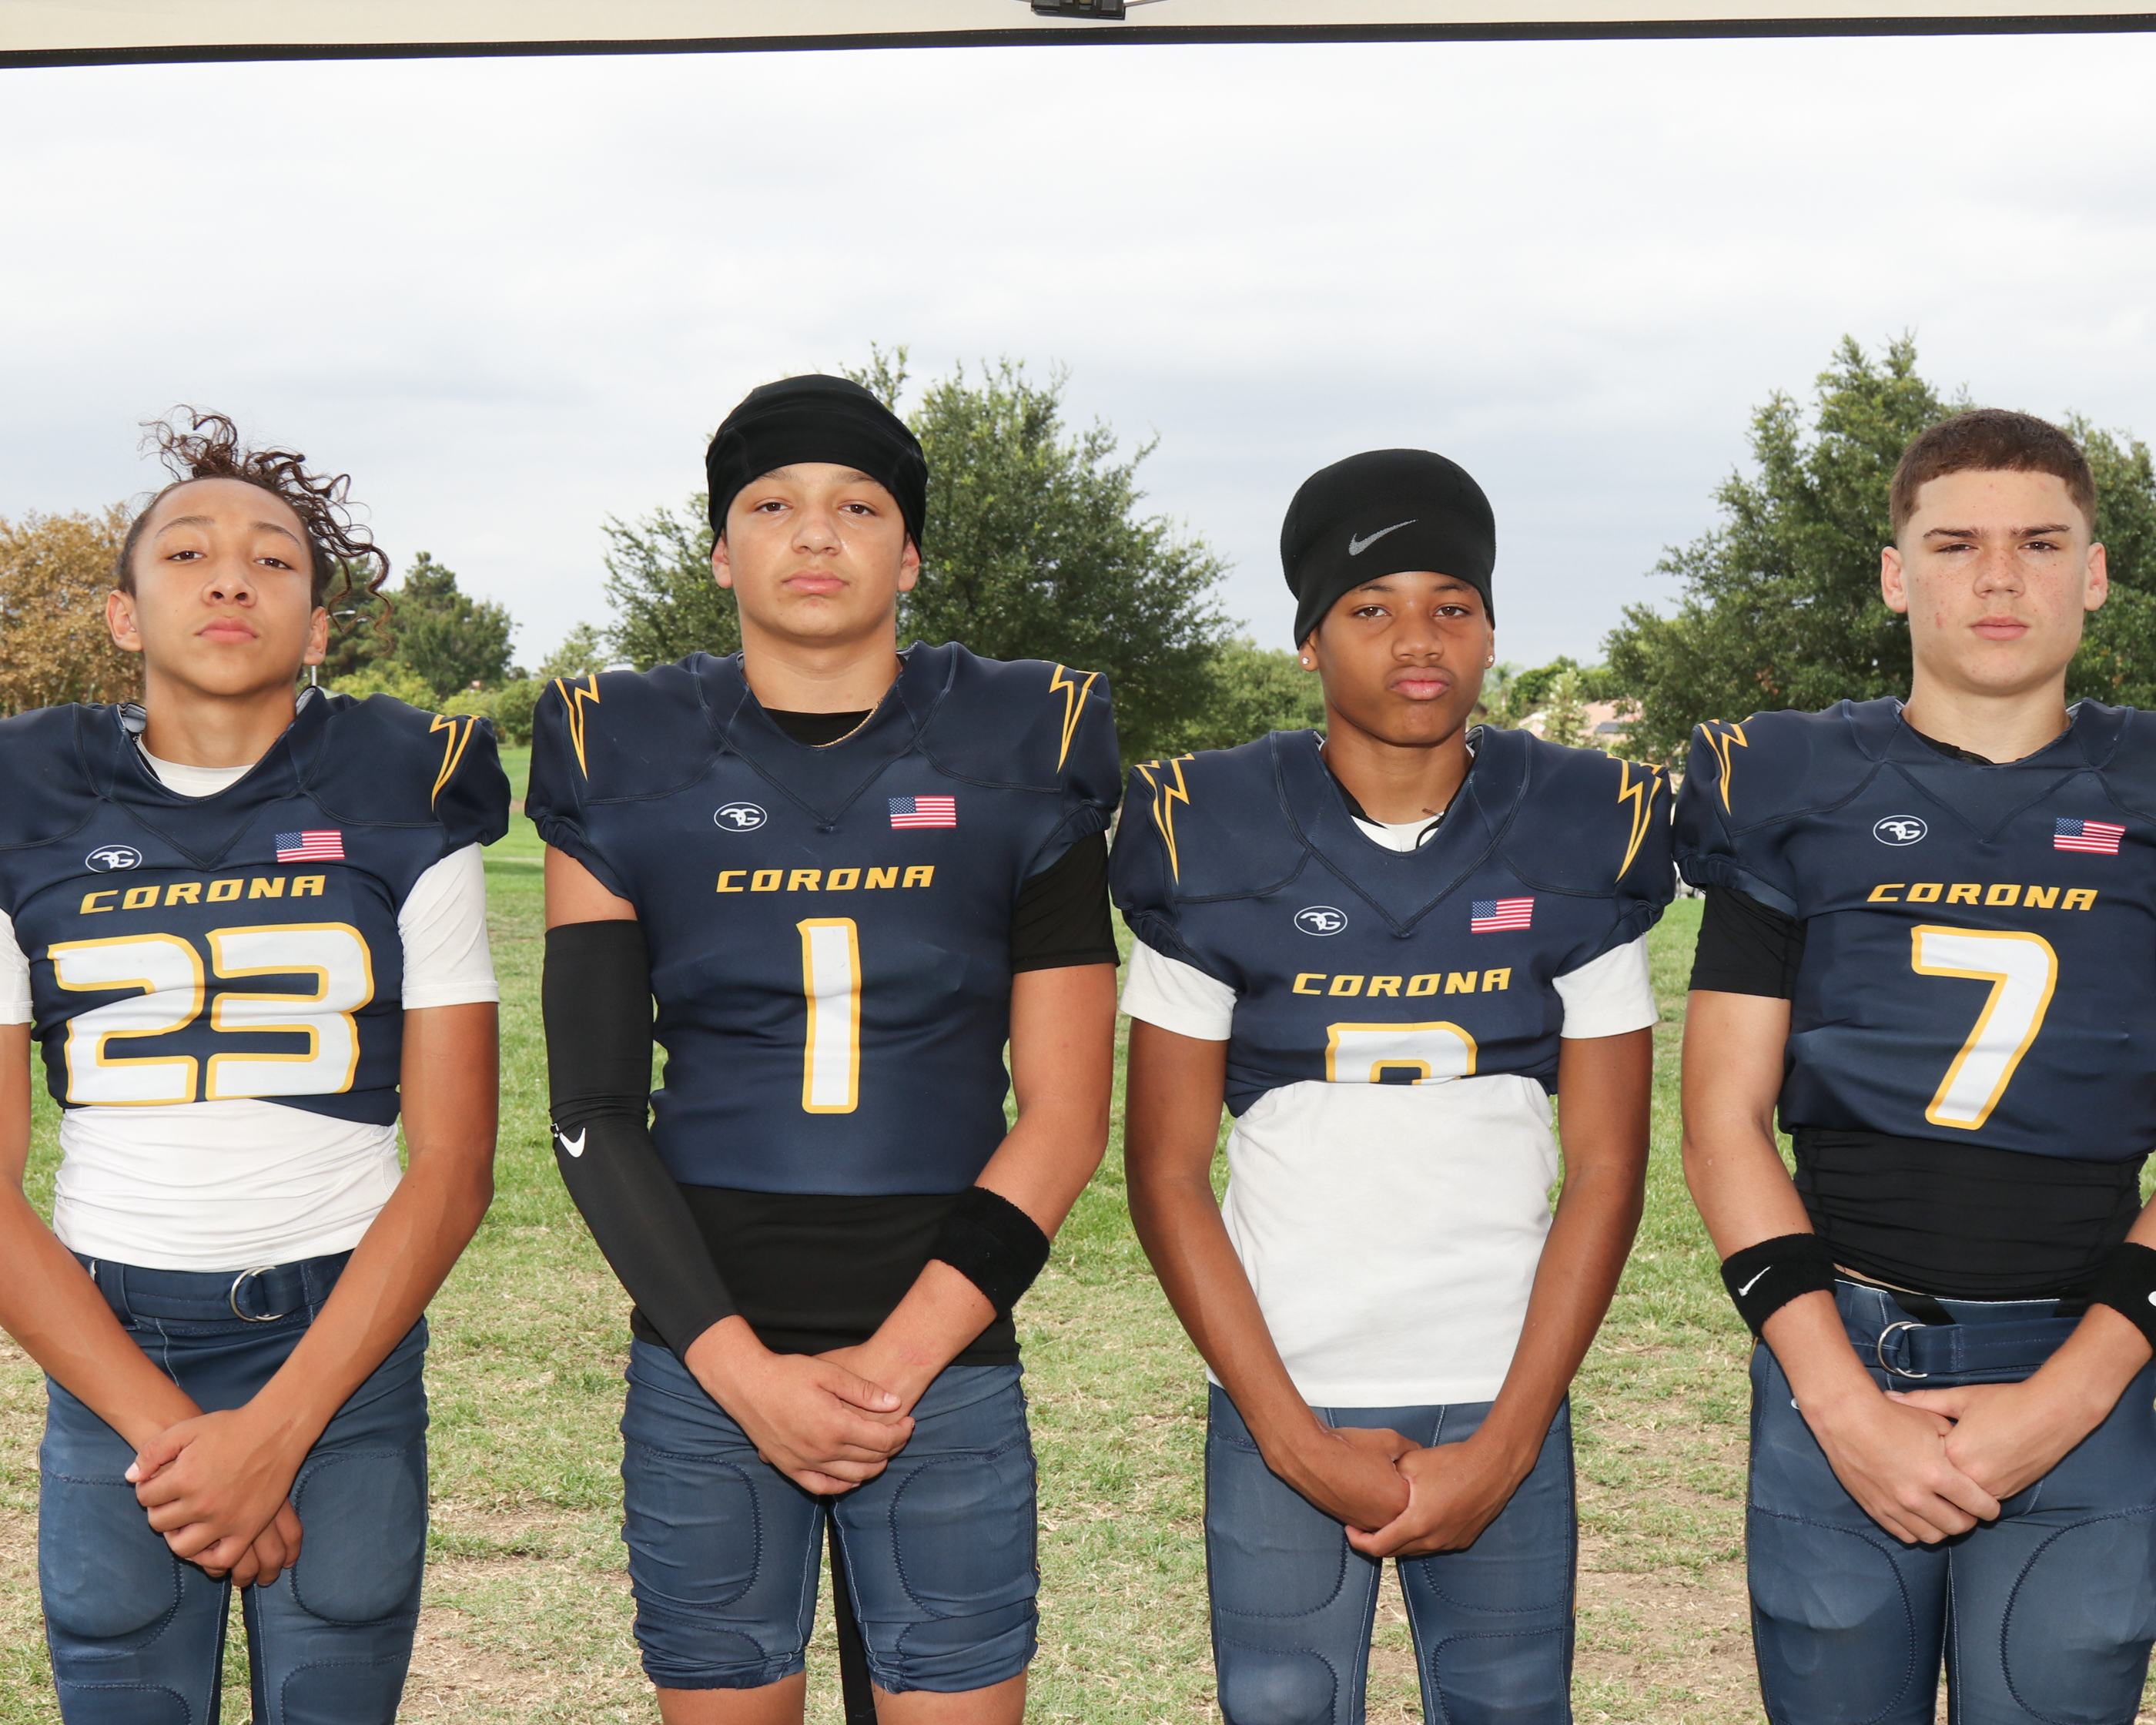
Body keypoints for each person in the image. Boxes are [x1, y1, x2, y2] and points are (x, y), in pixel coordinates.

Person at [525, 374, 1120, 1725]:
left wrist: (898, 1363)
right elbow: (592, 1109)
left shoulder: (1025, 748)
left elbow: (1066, 1115)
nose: (813, 533)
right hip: (703, 1348)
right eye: (771, 505)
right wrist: (741, 1370)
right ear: (719, 550)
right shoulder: (621, 754)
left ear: (908, 555)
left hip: (945, 1348)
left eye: (858, 508)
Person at [1113, 449, 1669, 1725]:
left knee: (1514, 1702)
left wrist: (1512, 1437)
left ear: (1491, 631)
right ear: (1310, 640)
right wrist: (1289, 1433)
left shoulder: (1582, 825)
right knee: (1282, 1702)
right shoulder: (1211, 829)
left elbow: (1609, 1167)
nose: (1419, 640)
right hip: (1285, 1374)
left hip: (1501, 1375)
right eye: (1371, 608)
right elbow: (1163, 1171)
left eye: (1451, 606)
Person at [0, 411, 507, 1723]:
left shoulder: (403, 788)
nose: (231, 578)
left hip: (341, 1333)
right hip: (111, 1338)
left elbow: (455, 1166)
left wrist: (275, 1432)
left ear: (320, 630)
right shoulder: (22, 800)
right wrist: (179, 1440)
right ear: (123, 616)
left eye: (274, 560)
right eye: (187, 553)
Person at [1676, 408, 2156, 1723]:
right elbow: (1721, 1125)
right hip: (1841, 1349)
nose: (1999, 578)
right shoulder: (1790, 785)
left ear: (2094, 573)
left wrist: (2070, 1396)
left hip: (2096, 1348)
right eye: (1955, 545)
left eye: (2039, 543)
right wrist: (1839, 1402)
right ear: (1897, 575)